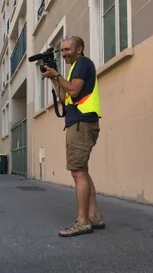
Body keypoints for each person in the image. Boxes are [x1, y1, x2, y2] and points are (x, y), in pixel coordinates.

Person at [42, 36, 105, 237]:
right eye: (62, 51)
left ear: (80, 48)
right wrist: (53, 77)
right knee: (81, 170)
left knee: (77, 171)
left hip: (82, 123)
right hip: (78, 123)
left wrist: (57, 74)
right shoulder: (73, 69)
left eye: (68, 49)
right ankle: (94, 216)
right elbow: (64, 96)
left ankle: (83, 221)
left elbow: (74, 89)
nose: (64, 53)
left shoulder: (83, 64)